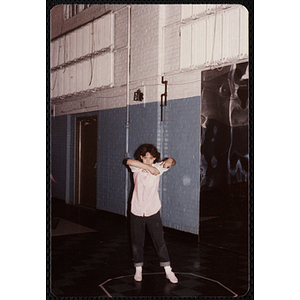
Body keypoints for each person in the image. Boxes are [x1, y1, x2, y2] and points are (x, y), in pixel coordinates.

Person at [126, 143, 178, 284]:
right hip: (136, 210)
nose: (148, 160)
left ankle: (168, 270)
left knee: (159, 241)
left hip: (152, 210)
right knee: (137, 241)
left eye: (151, 158)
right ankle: (138, 270)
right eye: (145, 157)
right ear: (141, 157)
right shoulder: (136, 167)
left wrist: (169, 160)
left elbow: (171, 162)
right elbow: (128, 161)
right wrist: (149, 167)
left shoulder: (159, 168)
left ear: (155, 158)